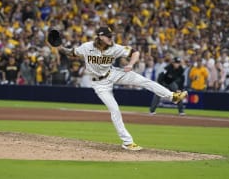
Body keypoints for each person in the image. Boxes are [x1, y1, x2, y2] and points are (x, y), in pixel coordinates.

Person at [58, 26, 187, 151]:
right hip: (99, 84)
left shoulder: (114, 48)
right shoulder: (87, 47)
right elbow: (71, 52)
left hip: (113, 73)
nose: (110, 38)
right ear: (100, 37)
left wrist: (131, 64)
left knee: (143, 80)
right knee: (115, 109)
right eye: (108, 36)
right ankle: (127, 142)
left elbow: (135, 52)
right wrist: (59, 47)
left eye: (111, 36)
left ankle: (172, 96)